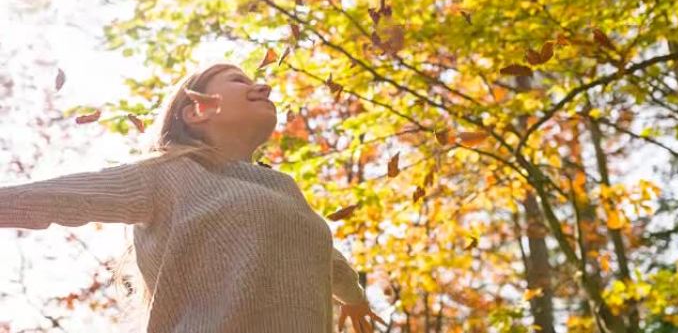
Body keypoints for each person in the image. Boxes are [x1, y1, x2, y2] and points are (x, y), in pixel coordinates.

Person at [0, 63, 388, 333]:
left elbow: (325, 259)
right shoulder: (167, 174)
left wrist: (354, 299)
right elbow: (57, 198)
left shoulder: (284, 190)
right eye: (238, 81)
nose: (263, 87)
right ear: (197, 109)